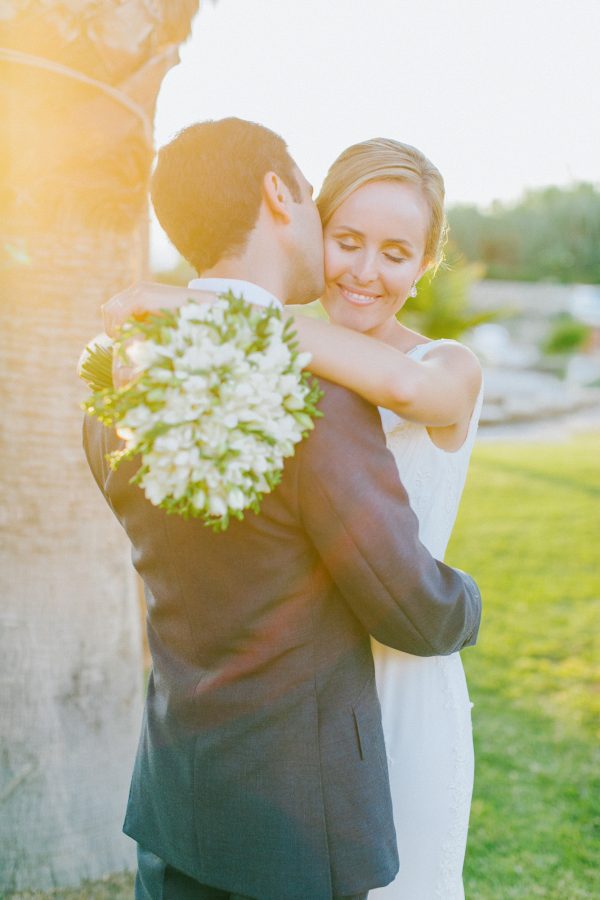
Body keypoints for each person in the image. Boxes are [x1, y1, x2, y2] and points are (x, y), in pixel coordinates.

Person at [86, 117, 482, 900]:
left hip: (394, 697)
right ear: (304, 215)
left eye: (397, 253)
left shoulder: (438, 367)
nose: (365, 270)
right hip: (315, 739)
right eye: (347, 238)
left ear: (425, 265)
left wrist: (190, 303)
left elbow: (401, 389)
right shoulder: (298, 377)